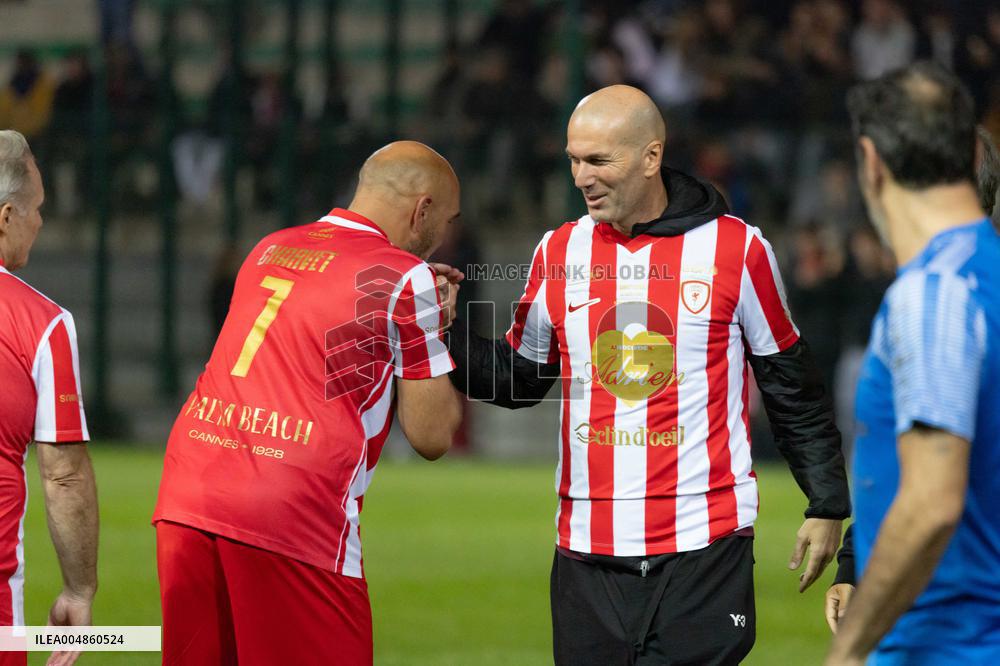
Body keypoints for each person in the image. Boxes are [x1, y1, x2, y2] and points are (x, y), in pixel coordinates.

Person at [439, 85, 850, 665]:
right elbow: (519, 377)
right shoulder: (558, 251)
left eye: (599, 160)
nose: (582, 177)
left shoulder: (737, 250)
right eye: (574, 160)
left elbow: (792, 387)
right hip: (585, 552)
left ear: (651, 157)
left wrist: (826, 501)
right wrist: (441, 331)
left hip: (704, 548)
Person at [153, 141, 462, 665]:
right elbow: (432, 435)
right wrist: (429, 331)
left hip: (189, 491)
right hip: (291, 514)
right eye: (448, 219)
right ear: (422, 209)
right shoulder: (404, 276)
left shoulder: (271, 246)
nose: (446, 236)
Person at [824, 63, 1000, 665]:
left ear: (872, 161)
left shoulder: (935, 293)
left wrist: (849, 649)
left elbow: (931, 502)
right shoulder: (985, 274)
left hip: (946, 645)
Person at [0, 130, 98, 664]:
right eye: (36, 209)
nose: (40, 222)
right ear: (5, 216)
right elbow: (63, 475)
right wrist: (78, 590)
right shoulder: (42, 323)